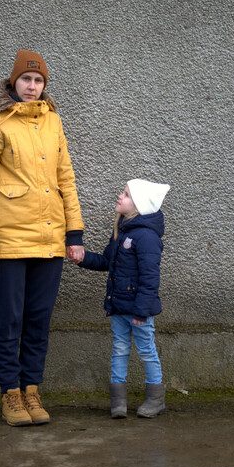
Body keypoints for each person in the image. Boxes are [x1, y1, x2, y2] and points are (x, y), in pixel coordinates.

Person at [0, 49, 85, 426]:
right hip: (7, 240)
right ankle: (11, 394)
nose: (33, 86)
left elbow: (65, 178)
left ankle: (32, 389)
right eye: (26, 80)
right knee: (9, 319)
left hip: (50, 239)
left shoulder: (54, 121)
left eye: (39, 81)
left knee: (39, 318)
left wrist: (74, 232)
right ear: (14, 82)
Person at [71, 178, 170, 418]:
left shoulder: (146, 237)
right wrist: (82, 258)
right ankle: (118, 402)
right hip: (118, 307)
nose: (119, 196)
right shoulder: (121, 231)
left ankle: (156, 399)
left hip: (137, 312)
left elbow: (150, 278)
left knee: (146, 350)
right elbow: (107, 261)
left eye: (125, 194)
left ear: (139, 205)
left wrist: (141, 311)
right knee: (119, 350)